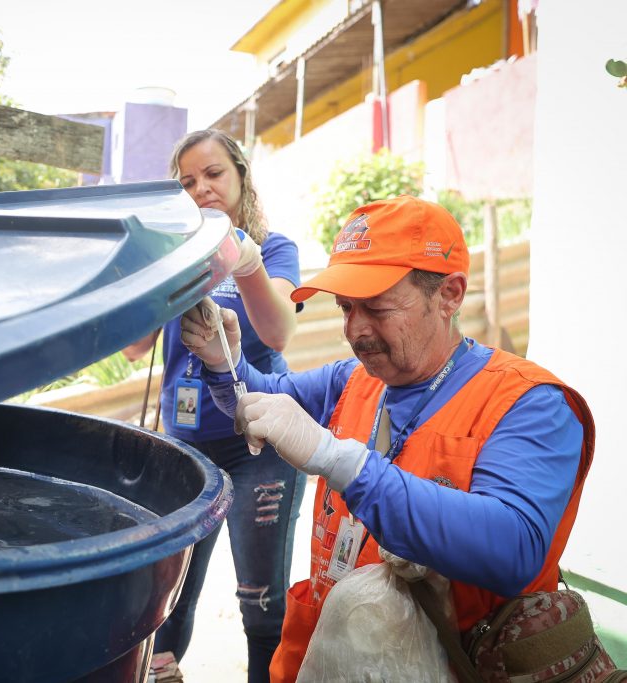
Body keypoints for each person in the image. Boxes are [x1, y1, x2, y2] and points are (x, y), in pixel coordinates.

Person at [180, 195, 595, 682]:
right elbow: (262, 402)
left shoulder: (529, 404)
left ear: (449, 295)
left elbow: (514, 550)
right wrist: (221, 357)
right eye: (346, 307)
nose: (355, 331)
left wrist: (343, 462)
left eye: (376, 307)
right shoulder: (355, 379)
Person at [123, 129, 306, 682]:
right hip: (184, 447)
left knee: (261, 601)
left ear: (241, 176)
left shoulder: (273, 250)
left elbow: (278, 333)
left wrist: (243, 264)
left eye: (214, 174)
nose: (201, 188)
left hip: (261, 448)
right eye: (187, 182)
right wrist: (147, 271)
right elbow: (134, 349)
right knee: (168, 599)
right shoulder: (173, 256)